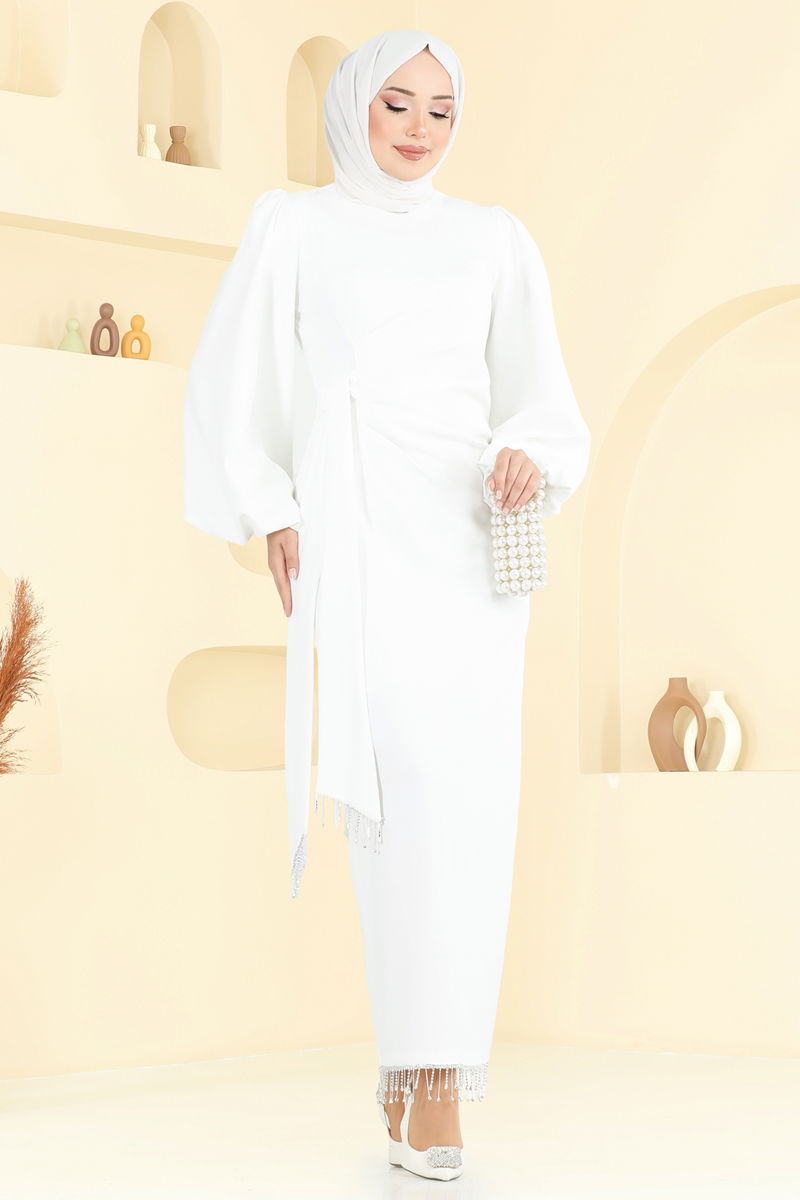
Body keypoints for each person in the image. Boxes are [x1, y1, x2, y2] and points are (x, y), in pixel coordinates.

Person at [183, 28, 591, 1182]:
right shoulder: (292, 225)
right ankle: (415, 1072)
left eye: (440, 111)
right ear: (353, 105)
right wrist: (272, 509)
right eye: (396, 104)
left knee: (469, 807)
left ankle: (434, 1080)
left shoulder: (493, 240)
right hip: (360, 545)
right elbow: (233, 378)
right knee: (395, 799)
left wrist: (523, 457)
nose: (418, 130)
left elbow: (541, 403)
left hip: (467, 551)